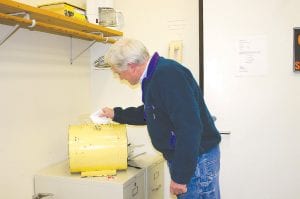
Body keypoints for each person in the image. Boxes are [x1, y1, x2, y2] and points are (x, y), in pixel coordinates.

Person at [100, 38, 221, 199]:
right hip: (190, 157)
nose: (120, 77)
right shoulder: (155, 75)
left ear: (132, 66)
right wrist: (116, 114)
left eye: (118, 72)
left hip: (196, 160)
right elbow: (151, 112)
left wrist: (180, 176)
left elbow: (189, 127)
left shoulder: (167, 75)